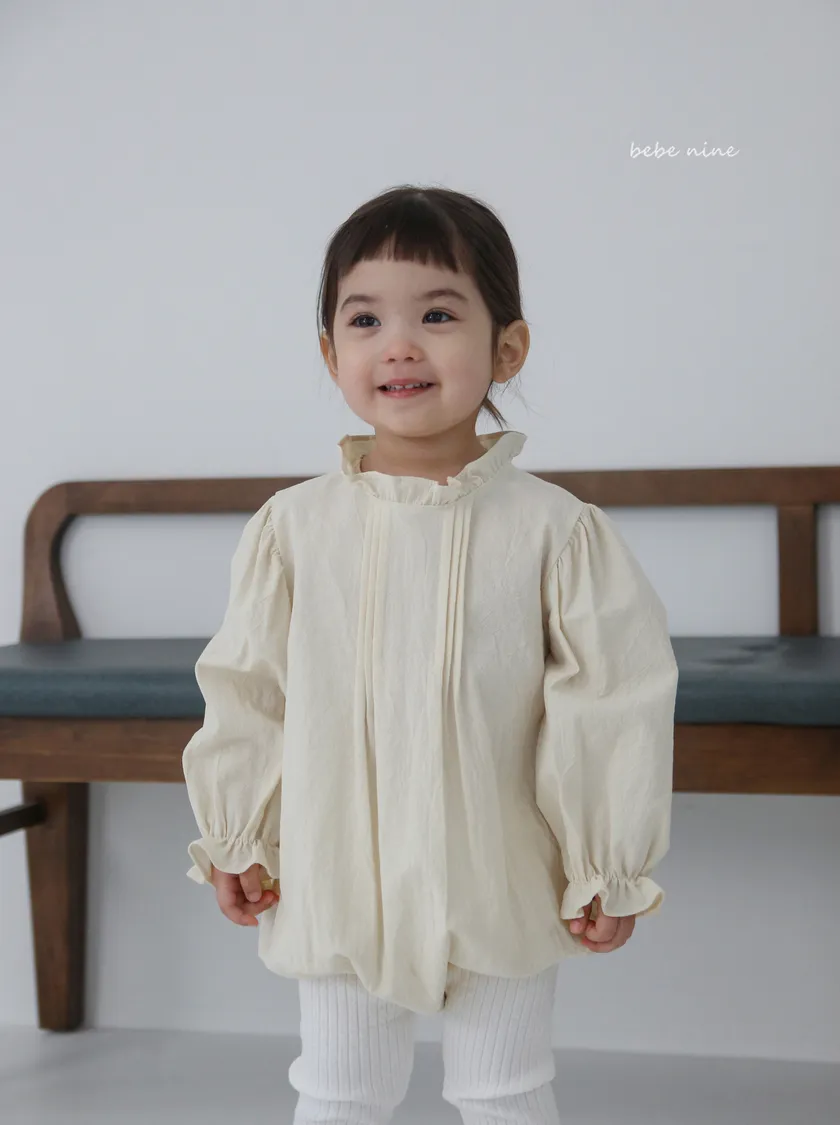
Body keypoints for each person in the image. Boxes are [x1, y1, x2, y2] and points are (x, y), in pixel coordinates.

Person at [182, 184, 679, 1125]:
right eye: (365, 319)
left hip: (500, 870)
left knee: (505, 1089)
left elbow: (610, 703)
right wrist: (240, 830)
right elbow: (249, 690)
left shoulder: (557, 532)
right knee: (338, 1089)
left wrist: (604, 858)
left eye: (438, 315)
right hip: (336, 869)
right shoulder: (293, 529)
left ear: (508, 348)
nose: (399, 345)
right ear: (330, 353)